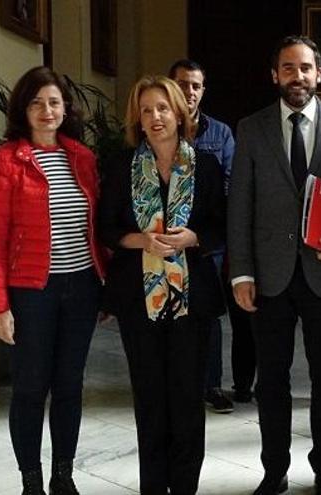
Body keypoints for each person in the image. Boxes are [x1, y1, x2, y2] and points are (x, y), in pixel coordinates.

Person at [227, 35, 321, 495]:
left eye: (306, 68)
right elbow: (241, 206)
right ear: (275, 75)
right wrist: (242, 272)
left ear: (319, 75)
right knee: (270, 380)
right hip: (269, 277)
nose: (298, 76)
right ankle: (273, 471)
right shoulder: (251, 128)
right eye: (288, 68)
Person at [0, 66, 106, 495]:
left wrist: (105, 286)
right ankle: (31, 482)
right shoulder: (5, 161)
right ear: (23, 109)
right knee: (31, 388)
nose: (46, 111)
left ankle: (63, 476)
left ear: (65, 108)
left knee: (70, 386)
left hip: (82, 288)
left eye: (53, 102)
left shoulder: (82, 158)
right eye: (36, 102)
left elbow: (97, 227)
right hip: (32, 294)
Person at [98, 75, 226, 495]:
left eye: (163, 108)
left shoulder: (205, 164)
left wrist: (194, 238)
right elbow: (106, 227)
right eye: (147, 109)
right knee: (150, 401)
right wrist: (142, 240)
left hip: (193, 300)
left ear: (180, 112)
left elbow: (221, 225)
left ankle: (185, 486)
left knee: (188, 401)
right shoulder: (121, 165)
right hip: (139, 300)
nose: (156, 117)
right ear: (138, 116)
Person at [169, 59, 246, 412]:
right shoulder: (158, 125)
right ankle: (175, 382)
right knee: (168, 307)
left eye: (195, 85)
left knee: (207, 311)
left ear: (203, 91)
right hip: (164, 234)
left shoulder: (221, 133)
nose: (189, 91)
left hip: (206, 237)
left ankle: (211, 384)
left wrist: (201, 226)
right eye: (183, 83)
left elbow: (230, 183)